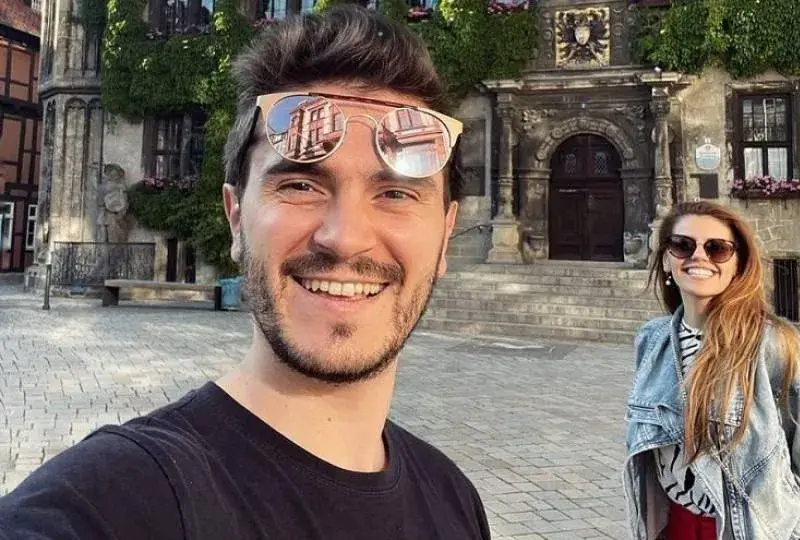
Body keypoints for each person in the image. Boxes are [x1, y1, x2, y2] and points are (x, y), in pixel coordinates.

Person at [0, 6, 491, 539]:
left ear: (446, 233)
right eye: (300, 185)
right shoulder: (118, 497)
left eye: (395, 193)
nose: (346, 237)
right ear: (236, 217)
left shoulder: (455, 500)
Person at [623, 201, 800, 540]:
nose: (699, 257)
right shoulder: (653, 339)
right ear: (666, 260)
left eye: (717, 248)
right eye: (682, 245)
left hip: (748, 529)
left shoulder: (774, 344)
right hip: (674, 525)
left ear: (738, 264)